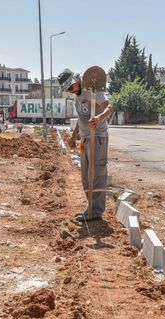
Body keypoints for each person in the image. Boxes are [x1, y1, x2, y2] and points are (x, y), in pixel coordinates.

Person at [58, 69, 113, 222]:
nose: (70, 91)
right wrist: (74, 136)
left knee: (97, 173)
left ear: (77, 80)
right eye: (68, 89)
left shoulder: (93, 90)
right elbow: (81, 119)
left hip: (98, 137)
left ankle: (96, 211)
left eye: (71, 87)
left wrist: (100, 117)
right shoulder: (77, 97)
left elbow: (109, 108)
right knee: (85, 174)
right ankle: (91, 207)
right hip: (84, 139)